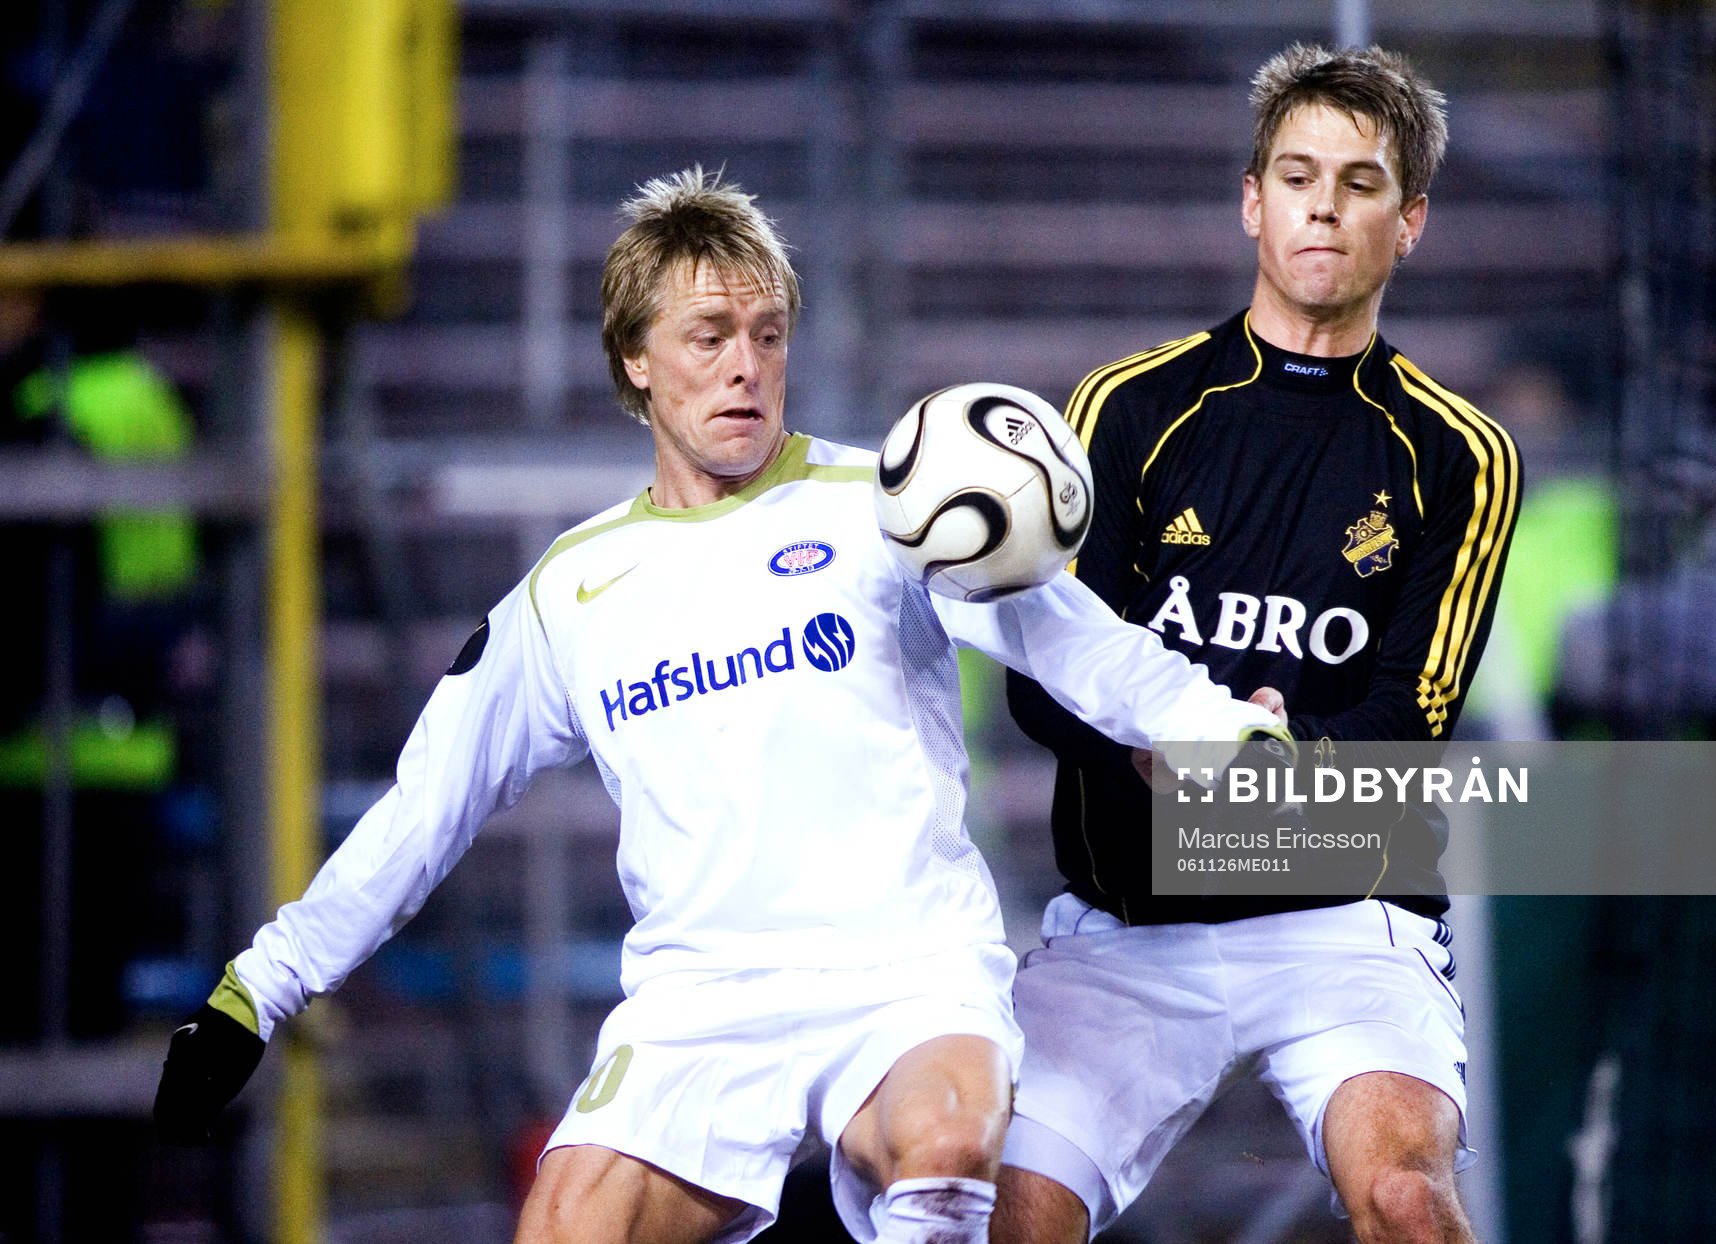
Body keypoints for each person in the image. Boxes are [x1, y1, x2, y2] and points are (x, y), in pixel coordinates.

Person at [151, 167, 1288, 1244]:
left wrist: (1221, 729)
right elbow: (423, 810)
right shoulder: (572, 590)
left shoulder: (890, 508)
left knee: (945, 1153)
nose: (746, 365)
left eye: (767, 335)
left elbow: (1082, 643)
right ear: (636, 360)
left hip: (905, 970)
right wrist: (260, 987)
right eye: (709, 338)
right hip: (701, 999)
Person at [995, 46, 1520, 1244]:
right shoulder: (1124, 408)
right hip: (1128, 928)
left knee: (1408, 1198)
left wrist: (1269, 776)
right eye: (1296, 175)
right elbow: (1042, 676)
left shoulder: (1461, 454)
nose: (1324, 204)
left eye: (1360, 180)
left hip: (1342, 916)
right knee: (1007, 1214)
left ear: (1413, 219)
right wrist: (1164, 746)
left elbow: (1411, 720)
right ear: (1252, 201)